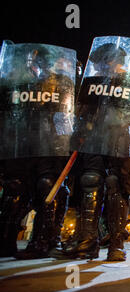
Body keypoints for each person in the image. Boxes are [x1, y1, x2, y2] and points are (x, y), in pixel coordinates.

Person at [59, 40, 130, 261]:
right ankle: (87, 241)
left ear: (111, 60)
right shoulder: (94, 82)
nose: (99, 67)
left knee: (116, 184)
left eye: (103, 62)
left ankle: (116, 243)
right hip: (93, 138)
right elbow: (82, 110)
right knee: (90, 181)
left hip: (118, 138)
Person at [0, 44, 74, 259]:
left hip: (46, 145)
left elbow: (64, 116)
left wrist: (66, 141)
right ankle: (10, 240)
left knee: (46, 188)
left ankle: (41, 241)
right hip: (25, 145)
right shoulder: (20, 83)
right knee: (17, 190)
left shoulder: (59, 83)